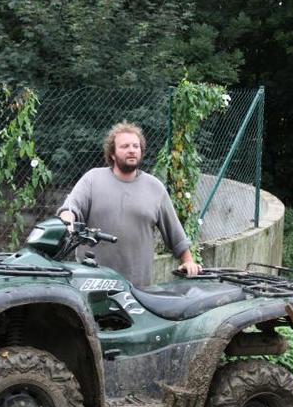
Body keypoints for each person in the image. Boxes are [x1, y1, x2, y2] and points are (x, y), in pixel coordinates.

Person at [57, 121, 201, 287]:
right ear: (112, 153)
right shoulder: (92, 179)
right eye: (125, 146)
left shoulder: (155, 188)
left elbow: (176, 236)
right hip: (91, 285)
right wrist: (67, 222)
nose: (132, 150)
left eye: (136, 146)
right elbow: (70, 207)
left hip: (137, 289)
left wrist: (188, 261)